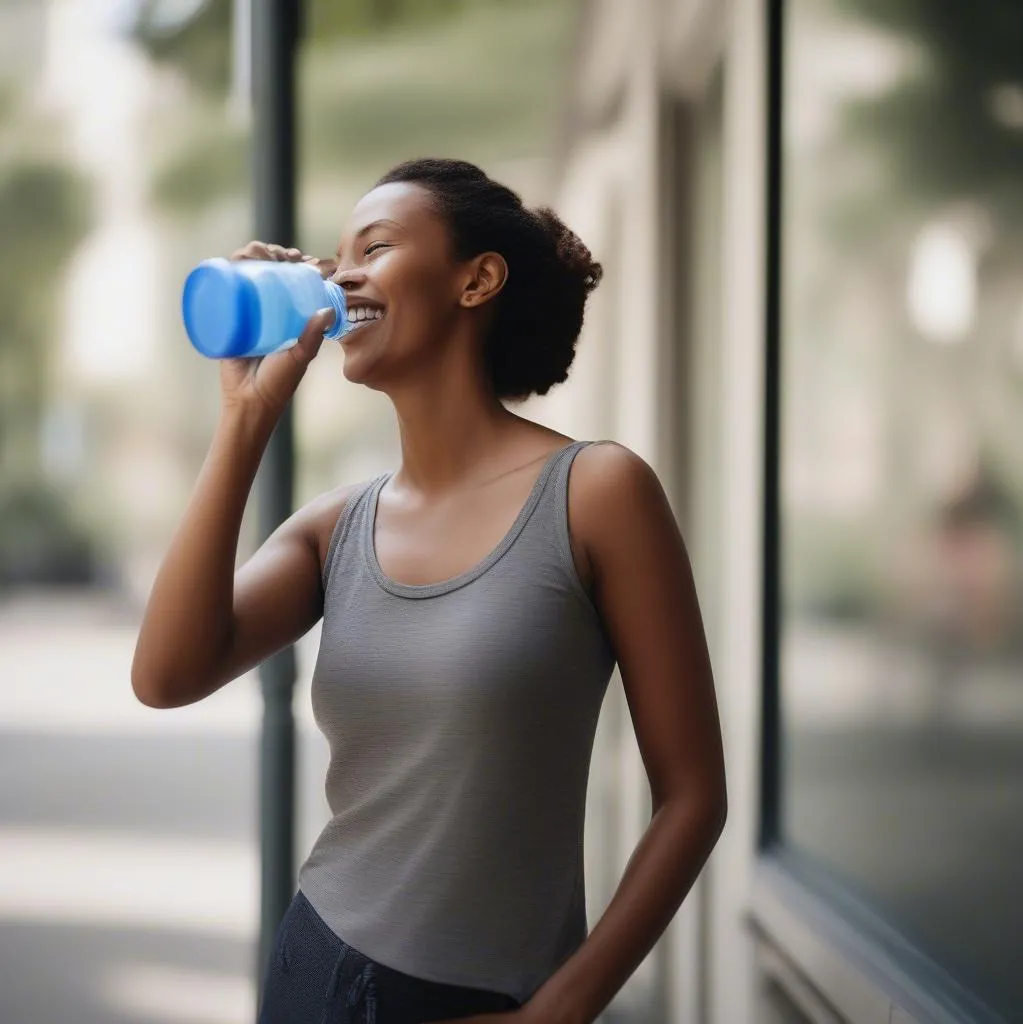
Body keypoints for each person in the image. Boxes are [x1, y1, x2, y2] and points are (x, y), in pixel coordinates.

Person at [131, 158, 726, 1024]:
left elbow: (694, 795)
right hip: (316, 968)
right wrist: (245, 417)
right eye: (335, 259)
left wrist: (559, 1013)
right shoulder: (335, 528)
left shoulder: (597, 492)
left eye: (374, 247)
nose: (340, 276)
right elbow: (165, 674)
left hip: (493, 998)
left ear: (477, 280)